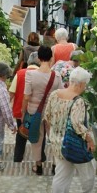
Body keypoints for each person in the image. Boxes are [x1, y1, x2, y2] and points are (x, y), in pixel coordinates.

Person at [43, 66, 97, 193]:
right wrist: (90, 140)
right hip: (76, 144)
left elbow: (47, 117)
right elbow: (77, 124)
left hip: (58, 143)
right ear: (80, 84)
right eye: (85, 84)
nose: (85, 87)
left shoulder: (54, 94)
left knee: (61, 175)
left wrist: (52, 136)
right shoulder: (78, 101)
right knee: (88, 171)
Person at [22, 45, 63, 175]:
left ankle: (38, 165)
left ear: (38, 58)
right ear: (51, 58)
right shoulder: (56, 76)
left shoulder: (30, 74)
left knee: (36, 138)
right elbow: (60, 95)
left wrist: (23, 113)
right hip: (52, 112)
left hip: (34, 111)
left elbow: (26, 96)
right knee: (54, 138)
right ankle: (55, 165)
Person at [8, 52, 39, 162]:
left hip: (20, 111)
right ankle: (39, 161)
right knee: (39, 136)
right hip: (38, 111)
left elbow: (11, 93)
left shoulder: (20, 73)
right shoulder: (43, 74)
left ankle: (17, 158)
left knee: (21, 134)